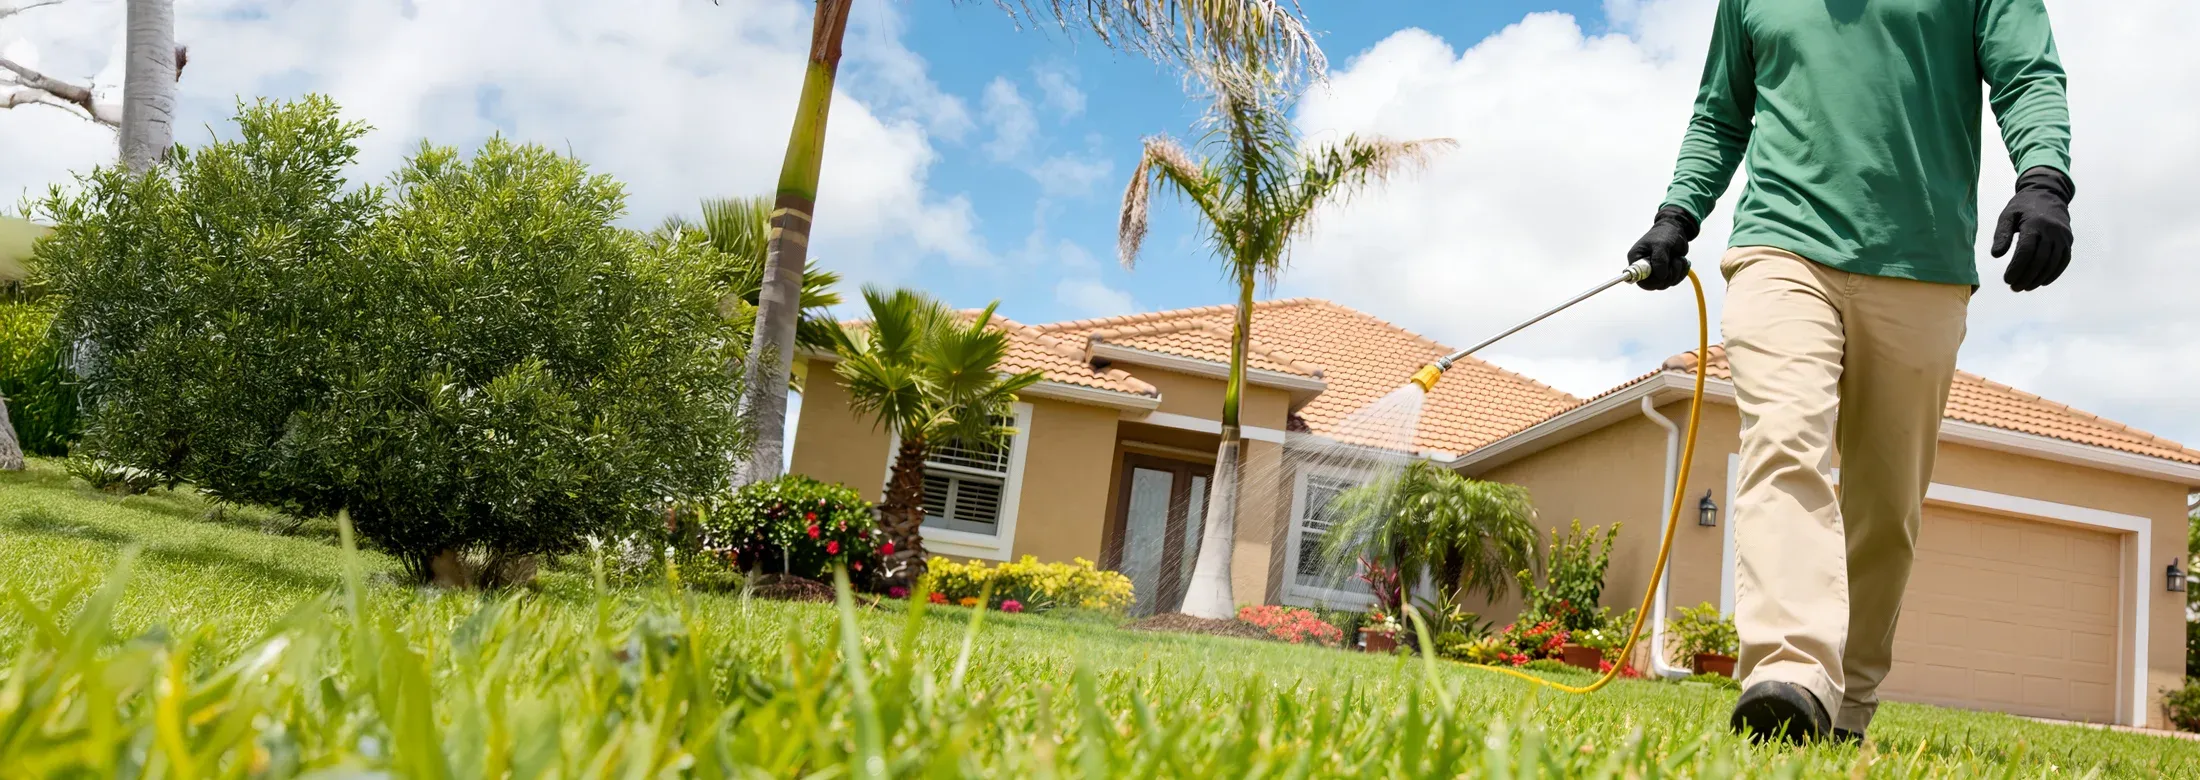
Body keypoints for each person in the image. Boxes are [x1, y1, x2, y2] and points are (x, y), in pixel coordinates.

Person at [1627, 0, 2073, 744]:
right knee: (1783, 441)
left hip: (1920, 265)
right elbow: (1720, 112)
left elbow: (2027, 75)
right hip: (1781, 247)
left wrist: (2045, 177)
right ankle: (1791, 672)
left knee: (1885, 502)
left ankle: (1848, 703)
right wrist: (1679, 213)